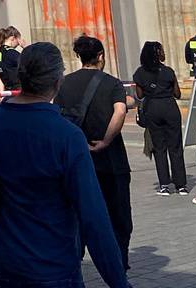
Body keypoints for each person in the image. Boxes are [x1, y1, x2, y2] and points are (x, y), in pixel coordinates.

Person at [0, 41, 130, 288]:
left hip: (7, 263)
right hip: (53, 266)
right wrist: (118, 282)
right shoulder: (66, 135)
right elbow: (93, 218)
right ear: (57, 81)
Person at [55, 34, 131, 266]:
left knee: (78, 215)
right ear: (100, 56)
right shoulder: (112, 83)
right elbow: (119, 111)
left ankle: (74, 262)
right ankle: (119, 263)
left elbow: (57, 118)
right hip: (111, 160)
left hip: (77, 160)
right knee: (117, 216)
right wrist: (106, 140)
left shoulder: (64, 83)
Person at [133, 41, 186, 195]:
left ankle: (164, 185)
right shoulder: (168, 71)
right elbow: (178, 94)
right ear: (158, 54)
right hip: (169, 107)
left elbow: (140, 95)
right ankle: (181, 184)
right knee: (175, 146)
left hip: (152, 108)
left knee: (159, 147)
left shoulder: (140, 73)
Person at [0, 27, 23, 93]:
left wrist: (2, 93)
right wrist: (25, 48)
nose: (18, 44)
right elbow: (30, 63)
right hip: (19, 89)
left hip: (7, 89)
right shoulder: (12, 52)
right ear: (12, 38)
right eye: (18, 40)